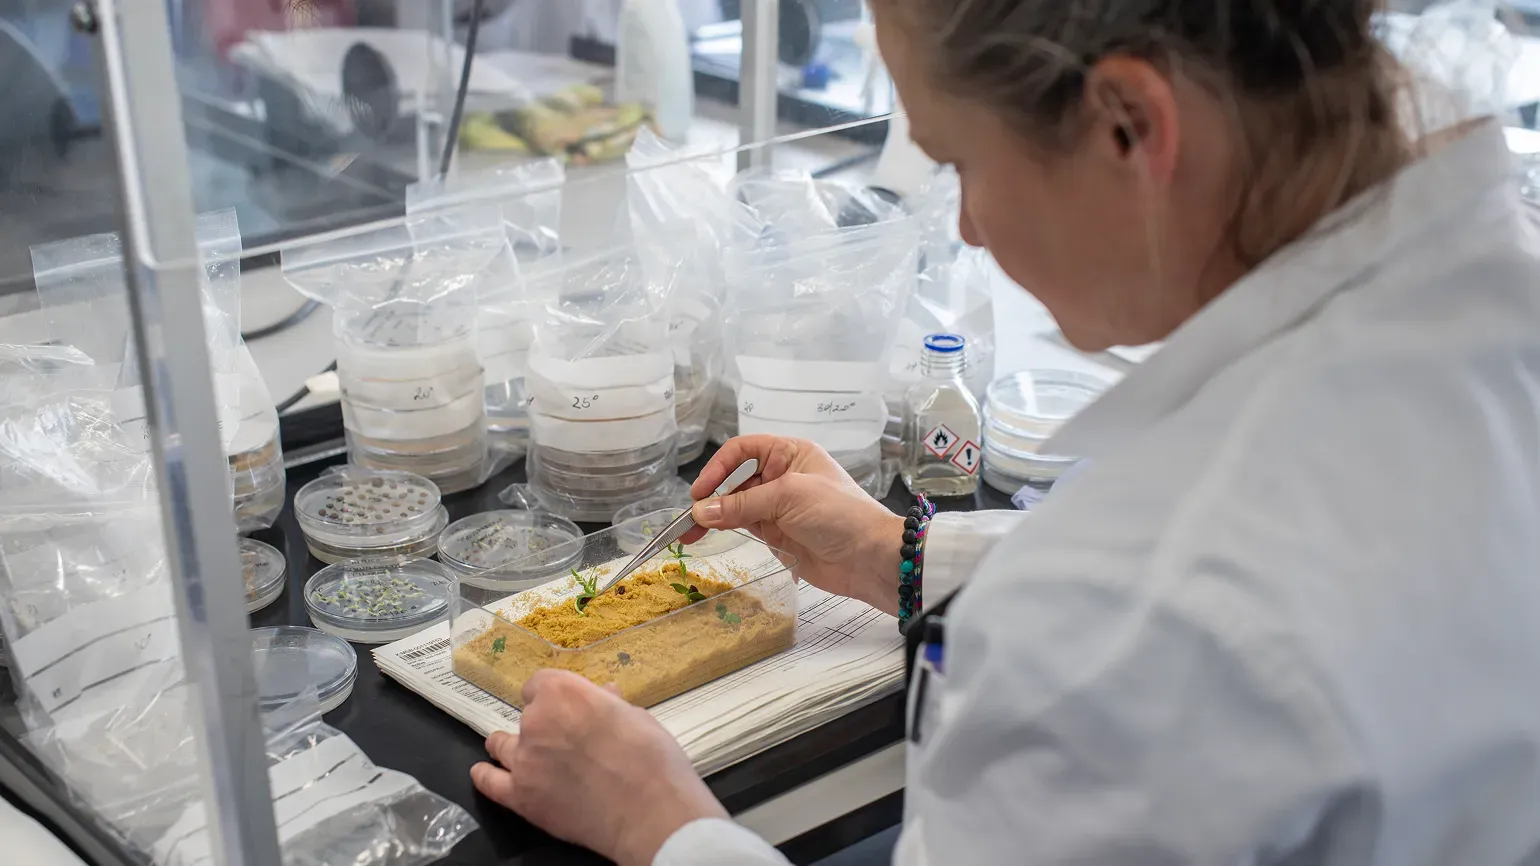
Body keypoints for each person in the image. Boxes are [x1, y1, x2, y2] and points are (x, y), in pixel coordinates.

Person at [468, 1, 1540, 863]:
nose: (969, 225)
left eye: (959, 164)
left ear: (1130, 125)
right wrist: (908, 556)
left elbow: (1175, 605)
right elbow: (1311, 559)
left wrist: (663, 823)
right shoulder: (1492, 294)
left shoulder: (1122, 624)